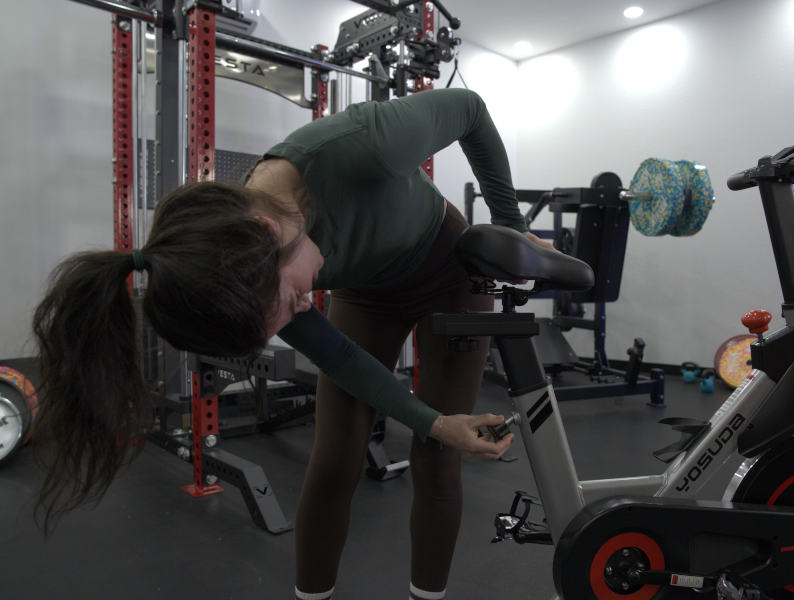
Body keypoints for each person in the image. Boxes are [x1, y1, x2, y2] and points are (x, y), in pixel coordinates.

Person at [32, 87, 553, 599]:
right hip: (367, 292)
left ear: (267, 230)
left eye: (294, 297)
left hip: (450, 275)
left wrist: (509, 227)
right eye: (285, 313)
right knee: (334, 457)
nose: (303, 310)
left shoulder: (364, 146)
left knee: (438, 454)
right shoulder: (248, 272)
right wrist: (433, 419)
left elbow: (469, 109)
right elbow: (343, 357)